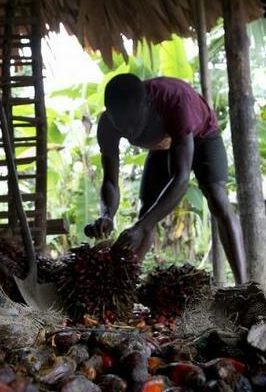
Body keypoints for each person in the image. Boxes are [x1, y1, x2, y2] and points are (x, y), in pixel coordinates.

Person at [85, 73, 247, 284]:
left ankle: (243, 286)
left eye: (133, 123)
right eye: (122, 126)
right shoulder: (107, 125)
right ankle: (125, 285)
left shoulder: (175, 102)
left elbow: (181, 179)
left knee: (216, 197)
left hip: (202, 135)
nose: (129, 131)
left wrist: (141, 227)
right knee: (147, 211)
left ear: (147, 105)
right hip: (164, 144)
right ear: (110, 115)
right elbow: (110, 181)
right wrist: (107, 214)